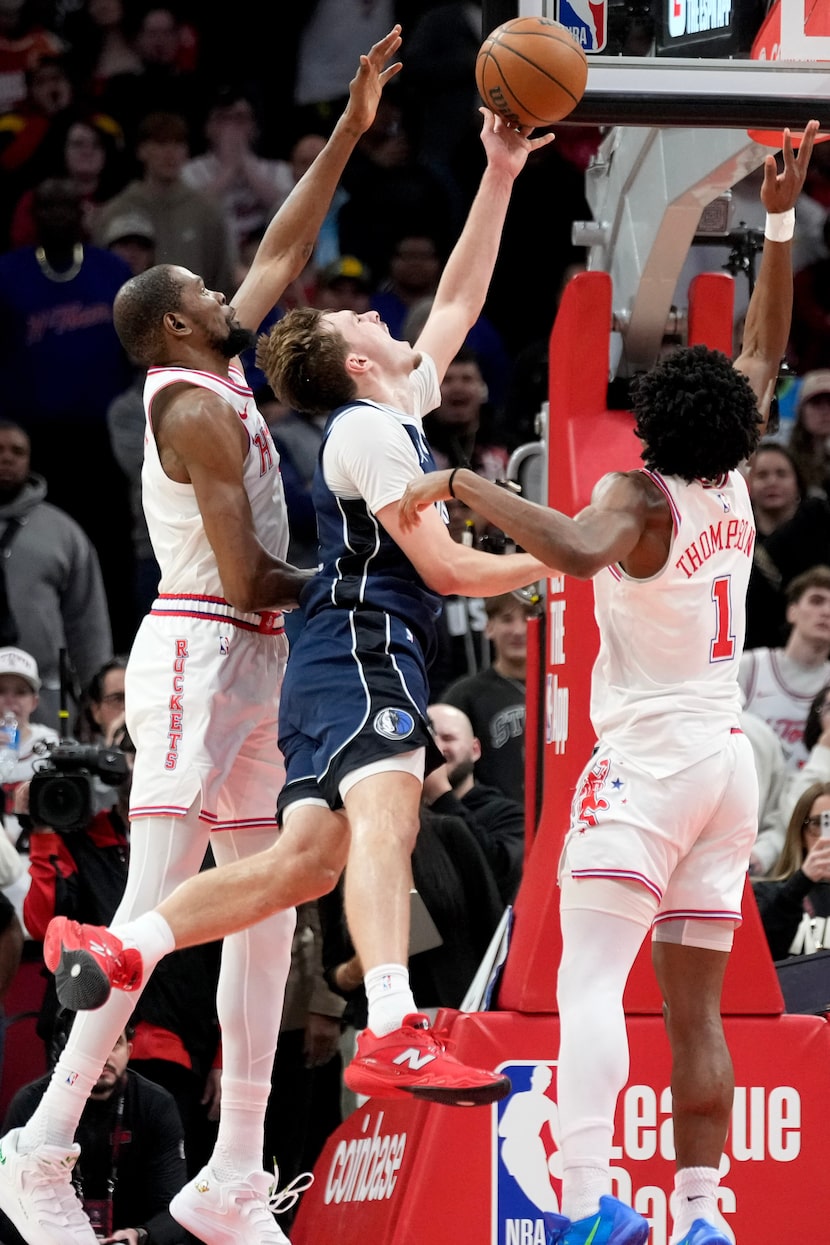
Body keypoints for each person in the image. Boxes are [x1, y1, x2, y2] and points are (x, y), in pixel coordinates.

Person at [39, 106, 555, 1118]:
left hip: (298, 652)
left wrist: (491, 172)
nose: (382, 318)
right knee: (384, 820)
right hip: (287, 638)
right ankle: (389, 1027)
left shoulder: (355, 395)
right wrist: (555, 556)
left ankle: (130, 959)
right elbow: (437, 574)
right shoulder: (344, 426)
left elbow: (446, 290)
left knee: (301, 870)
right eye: (366, 323)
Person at [0, 27, 405, 1245]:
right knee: (163, 896)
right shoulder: (192, 414)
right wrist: (362, 572)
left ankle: (233, 1168)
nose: (223, 295)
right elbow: (245, 573)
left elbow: (280, 242)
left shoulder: (215, 362)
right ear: (172, 330)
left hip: (257, 657)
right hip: (197, 646)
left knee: (259, 906)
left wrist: (346, 125)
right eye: (201, 294)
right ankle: (44, 1139)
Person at [396, 121, 819, 1245]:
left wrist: (458, 483)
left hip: (641, 767)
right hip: (728, 767)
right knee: (694, 1017)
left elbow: (574, 553)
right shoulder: (730, 478)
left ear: (647, 425)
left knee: (589, 987)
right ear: (727, 423)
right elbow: (766, 347)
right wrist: (776, 220)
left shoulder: (638, 499)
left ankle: (588, 1207)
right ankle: (695, 1217)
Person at [0, 1025, 188, 1245]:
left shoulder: (155, 1104)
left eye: (114, 1044)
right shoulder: (31, 1103)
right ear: (69, 1053)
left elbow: (175, 1211)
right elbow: (6, 1208)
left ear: (129, 1050)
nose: (103, 1054)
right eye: (93, 1045)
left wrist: (141, 1235)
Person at [0, 421, 114, 731]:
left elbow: (88, 624)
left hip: (44, 701)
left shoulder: (62, 533)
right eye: (0, 450)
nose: (7, 458)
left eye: (18, 451)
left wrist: (96, 696)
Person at [442, 591, 541, 806]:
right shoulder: (465, 696)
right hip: (494, 824)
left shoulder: (561, 689)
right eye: (506, 620)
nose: (518, 630)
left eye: (527, 618)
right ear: (488, 627)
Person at [425, 700, 526, 906]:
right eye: (427, 739)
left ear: (475, 749)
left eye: (448, 738)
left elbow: (500, 876)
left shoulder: (507, 814)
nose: (436, 748)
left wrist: (440, 794)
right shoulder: (403, 813)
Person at [739, 563, 830, 771]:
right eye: (817, 601)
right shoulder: (750, 666)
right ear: (792, 612)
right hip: (754, 789)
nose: (826, 611)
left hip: (807, 796)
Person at [744, 441, 830, 649]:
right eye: (762, 475)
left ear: (798, 483)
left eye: (782, 474)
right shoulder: (737, 537)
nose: (772, 482)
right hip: (755, 649)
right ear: (748, 486)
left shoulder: (821, 524)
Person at [752, 781, 830, 960]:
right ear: (801, 833)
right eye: (819, 823)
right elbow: (758, 955)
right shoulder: (767, 894)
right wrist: (800, 883)